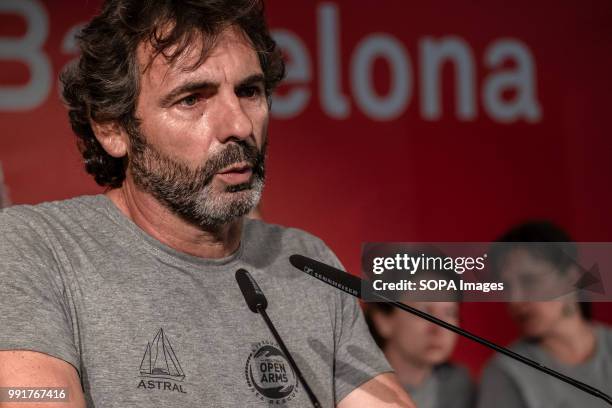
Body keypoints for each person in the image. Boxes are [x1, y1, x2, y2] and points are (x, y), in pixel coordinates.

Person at [0, 1, 415, 407]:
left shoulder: (306, 260)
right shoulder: (34, 248)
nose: (237, 125)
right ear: (112, 128)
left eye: (249, 91)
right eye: (192, 99)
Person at [477, 221, 612, 408]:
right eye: (506, 287)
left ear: (571, 279)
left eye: (529, 281)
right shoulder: (505, 372)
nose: (515, 300)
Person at [364, 247, 475, 408]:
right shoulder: (353, 387)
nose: (439, 327)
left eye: (450, 312)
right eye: (424, 311)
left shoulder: (460, 386)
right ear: (382, 320)